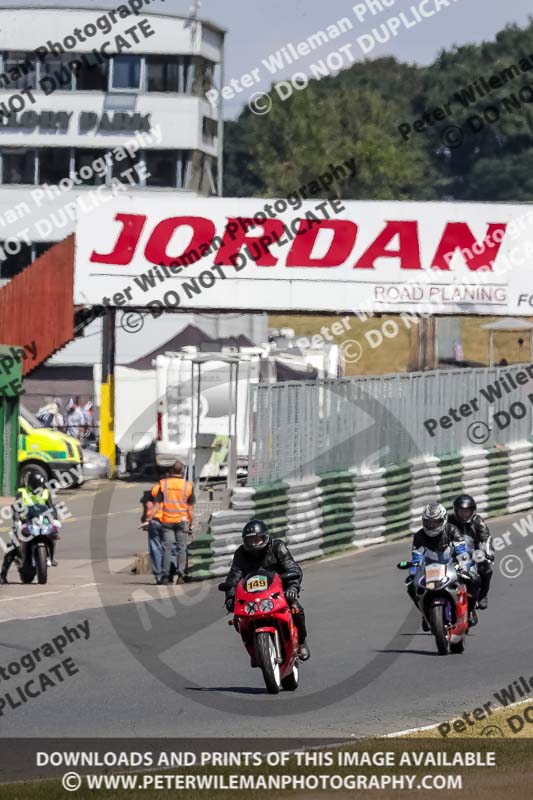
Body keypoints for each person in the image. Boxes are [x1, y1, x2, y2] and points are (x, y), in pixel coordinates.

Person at [223, 519, 310, 661]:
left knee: (296, 608)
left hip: (279, 591)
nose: (254, 544)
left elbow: (292, 567)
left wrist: (293, 588)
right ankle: (254, 647)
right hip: (252, 595)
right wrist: (230, 597)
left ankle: (301, 642)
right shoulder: (241, 553)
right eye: (250, 540)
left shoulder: (277, 547)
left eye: (257, 539)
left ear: (265, 537)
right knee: (240, 618)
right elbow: (234, 576)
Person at [406, 502, 478, 627]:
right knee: (411, 587)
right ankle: (424, 613)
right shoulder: (419, 536)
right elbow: (416, 558)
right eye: (428, 522)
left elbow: (462, 551)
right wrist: (412, 574)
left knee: (474, 579)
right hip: (429, 570)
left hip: (452, 566)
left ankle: (470, 610)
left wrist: (464, 567)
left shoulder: (452, 530)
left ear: (443, 520)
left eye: (435, 522)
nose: (432, 526)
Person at [0, 472, 60, 584]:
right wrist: (16, 519)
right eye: (35, 485)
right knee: (13, 546)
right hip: (25, 521)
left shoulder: (45, 492)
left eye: (40, 485)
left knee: (53, 534)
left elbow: (51, 507)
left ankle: (52, 558)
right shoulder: (22, 492)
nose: (38, 488)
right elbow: (17, 507)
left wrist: (55, 517)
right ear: (30, 484)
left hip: (42, 520)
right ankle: (3, 574)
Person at [145, 460, 195, 585]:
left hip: (167, 521)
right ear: (182, 472)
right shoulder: (188, 486)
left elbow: (157, 505)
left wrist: (149, 519)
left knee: (167, 548)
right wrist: (191, 523)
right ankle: (181, 574)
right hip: (182, 520)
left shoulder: (164, 484)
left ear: (172, 471)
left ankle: (166, 575)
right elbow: (190, 508)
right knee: (181, 548)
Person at [448, 494, 494, 610]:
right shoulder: (448, 521)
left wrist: (489, 553)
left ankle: (482, 595)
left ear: (472, 511)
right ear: (456, 510)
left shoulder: (477, 521)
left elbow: (486, 538)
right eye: (461, 511)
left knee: (486, 568)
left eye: (467, 511)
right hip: (451, 555)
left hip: (473, 554)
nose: (464, 514)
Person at [139, 488, 164, 585]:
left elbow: (149, 506)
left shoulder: (154, 490)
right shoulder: (179, 487)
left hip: (155, 521)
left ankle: (159, 576)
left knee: (155, 548)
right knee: (168, 548)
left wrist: (147, 520)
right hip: (170, 521)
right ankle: (168, 573)